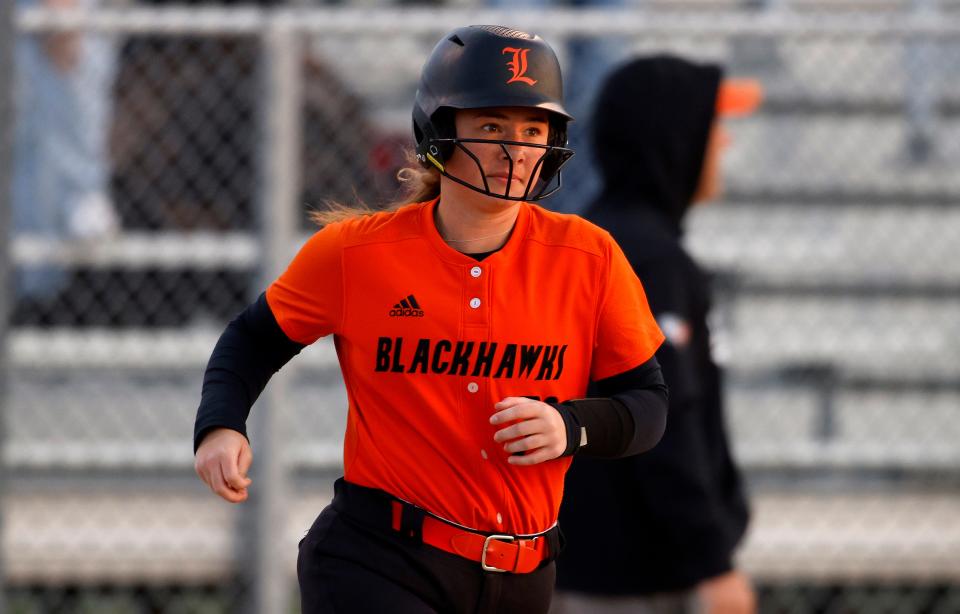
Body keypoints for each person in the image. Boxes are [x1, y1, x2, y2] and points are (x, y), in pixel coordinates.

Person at [193, 25, 670, 614]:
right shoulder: (356, 254)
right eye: (491, 127)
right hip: (380, 560)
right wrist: (221, 425)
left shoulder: (589, 256)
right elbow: (250, 341)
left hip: (523, 572)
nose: (514, 150)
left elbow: (647, 406)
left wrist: (571, 426)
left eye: (532, 130)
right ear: (439, 132)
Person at [553, 55, 763, 614]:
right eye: (711, 130)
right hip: (629, 581)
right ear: (672, 141)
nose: (722, 146)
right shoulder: (650, 261)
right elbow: (666, 424)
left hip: (596, 565)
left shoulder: (603, 238)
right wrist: (713, 564)